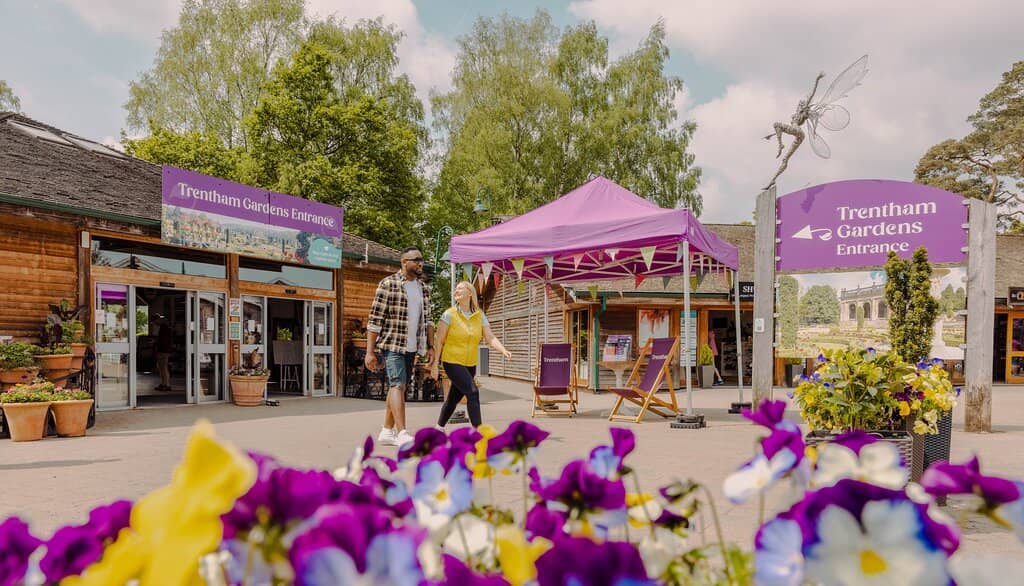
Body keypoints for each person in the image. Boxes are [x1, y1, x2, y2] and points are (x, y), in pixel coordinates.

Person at [365, 246, 434, 447]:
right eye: (416, 259)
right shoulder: (388, 284)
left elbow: (428, 320)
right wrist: (370, 352)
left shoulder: (423, 289)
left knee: (401, 387)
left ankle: (387, 431)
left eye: (422, 259)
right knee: (397, 384)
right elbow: (375, 320)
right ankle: (402, 432)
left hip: (412, 346)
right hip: (393, 343)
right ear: (404, 262)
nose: (420, 263)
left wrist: (430, 346)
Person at [430, 281, 512, 428]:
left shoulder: (479, 316)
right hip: (452, 361)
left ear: (470, 293)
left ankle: (438, 428)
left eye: (460, 288)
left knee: (453, 398)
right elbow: (439, 341)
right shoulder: (449, 314)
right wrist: (435, 365)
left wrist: (503, 349)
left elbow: (490, 337)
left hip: (470, 364)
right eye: (455, 289)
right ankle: (479, 433)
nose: (456, 290)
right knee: (472, 392)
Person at [154, 315, 173, 391]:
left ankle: (166, 384)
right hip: (165, 349)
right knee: (163, 368)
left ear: (158, 320)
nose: (155, 324)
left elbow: (163, 340)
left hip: (163, 350)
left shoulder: (164, 327)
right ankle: (164, 384)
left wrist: (156, 343)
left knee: (163, 367)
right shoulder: (166, 326)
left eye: (155, 322)